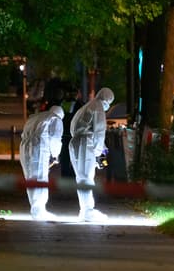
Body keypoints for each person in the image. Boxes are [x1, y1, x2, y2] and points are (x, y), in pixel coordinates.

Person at [69, 87, 114, 222]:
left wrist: (102, 149)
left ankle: (85, 210)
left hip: (76, 141)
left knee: (81, 177)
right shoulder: (98, 107)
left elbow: (90, 129)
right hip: (85, 143)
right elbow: (99, 131)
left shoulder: (88, 105)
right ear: (107, 100)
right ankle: (88, 211)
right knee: (86, 177)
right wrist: (99, 153)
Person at [20, 105, 65, 220]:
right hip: (38, 147)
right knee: (40, 178)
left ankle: (35, 208)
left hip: (24, 147)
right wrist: (55, 155)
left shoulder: (34, 117)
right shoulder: (55, 118)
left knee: (30, 178)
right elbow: (55, 138)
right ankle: (39, 211)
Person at [59, 86, 84, 177]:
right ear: (77, 94)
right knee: (75, 156)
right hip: (74, 134)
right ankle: (73, 176)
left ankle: (64, 176)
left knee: (64, 156)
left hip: (63, 133)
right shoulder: (79, 105)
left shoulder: (62, 103)